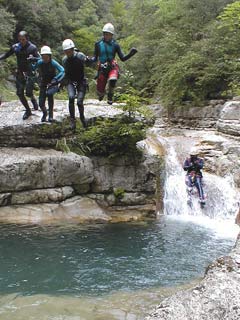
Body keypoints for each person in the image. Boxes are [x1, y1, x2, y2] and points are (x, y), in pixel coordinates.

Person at [91, 23, 137, 104]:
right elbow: (95, 58)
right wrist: (88, 59)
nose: (107, 36)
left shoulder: (115, 45)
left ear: (112, 35)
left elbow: (122, 58)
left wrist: (131, 54)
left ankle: (110, 96)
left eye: (109, 35)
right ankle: (101, 94)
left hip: (112, 66)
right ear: (103, 34)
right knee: (100, 92)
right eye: (106, 34)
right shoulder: (98, 44)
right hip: (102, 67)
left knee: (113, 79)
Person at [0, 31, 40, 119]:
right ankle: (28, 110)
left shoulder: (32, 48)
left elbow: (40, 59)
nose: (22, 41)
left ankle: (33, 99)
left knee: (28, 93)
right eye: (20, 39)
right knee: (19, 93)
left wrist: (33, 58)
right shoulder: (15, 47)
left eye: (23, 39)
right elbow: (7, 54)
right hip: (20, 72)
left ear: (27, 39)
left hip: (30, 73)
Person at [32, 46, 64, 122]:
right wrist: (30, 62)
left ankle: (51, 116)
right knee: (41, 102)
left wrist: (56, 79)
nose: (45, 59)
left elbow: (62, 70)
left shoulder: (53, 63)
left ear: (50, 56)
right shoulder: (40, 62)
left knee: (49, 95)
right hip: (44, 82)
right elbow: (33, 68)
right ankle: (45, 113)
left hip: (53, 82)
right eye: (43, 57)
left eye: (46, 57)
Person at [62, 39, 89, 130]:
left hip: (81, 81)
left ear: (73, 49)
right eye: (66, 51)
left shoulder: (80, 56)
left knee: (79, 102)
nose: (68, 53)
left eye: (69, 51)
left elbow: (89, 62)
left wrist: (89, 60)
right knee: (71, 97)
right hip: (70, 81)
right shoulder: (65, 60)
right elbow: (65, 73)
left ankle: (82, 118)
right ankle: (72, 120)